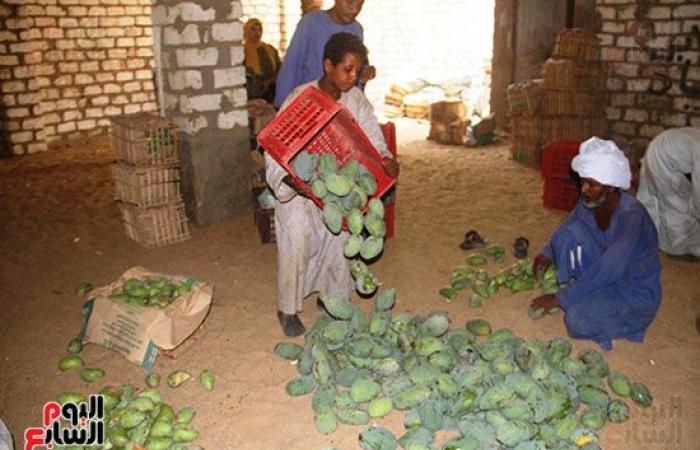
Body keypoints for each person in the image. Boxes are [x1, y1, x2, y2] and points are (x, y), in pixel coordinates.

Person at [265, 32, 399, 337]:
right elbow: (277, 145)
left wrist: (386, 159)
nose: (353, 77)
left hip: (337, 187)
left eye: (357, 71)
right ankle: (287, 308)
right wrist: (290, 181)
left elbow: (373, 140)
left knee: (339, 237)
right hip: (299, 187)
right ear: (328, 65)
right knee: (297, 234)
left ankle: (332, 300)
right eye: (347, 69)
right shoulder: (301, 97)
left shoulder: (357, 101)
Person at [530, 137, 662, 351]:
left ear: (611, 187)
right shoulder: (590, 204)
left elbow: (610, 267)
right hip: (605, 275)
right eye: (583, 181)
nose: (584, 189)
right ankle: (588, 291)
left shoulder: (632, 217)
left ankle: (632, 324)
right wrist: (547, 254)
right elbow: (567, 227)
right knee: (569, 235)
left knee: (576, 321)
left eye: (593, 184)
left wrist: (561, 298)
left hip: (632, 291)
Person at [274, 0, 372, 108]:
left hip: (340, 105)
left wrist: (364, 73)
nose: (354, 10)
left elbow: (355, 70)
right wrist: (283, 106)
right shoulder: (311, 23)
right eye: (350, 3)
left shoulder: (357, 29)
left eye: (360, 5)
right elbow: (291, 67)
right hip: (308, 104)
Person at [636, 127, 700, 258]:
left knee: (654, 198)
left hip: (660, 146)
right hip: (664, 156)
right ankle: (678, 249)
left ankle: (649, 235)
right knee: (676, 204)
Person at [244, 18, 281, 104]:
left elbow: (279, 69)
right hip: (251, 94)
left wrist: (269, 81)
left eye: (260, 29)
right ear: (247, 31)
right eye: (253, 29)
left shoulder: (270, 50)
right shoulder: (241, 51)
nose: (257, 33)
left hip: (271, 93)